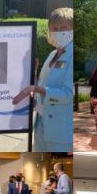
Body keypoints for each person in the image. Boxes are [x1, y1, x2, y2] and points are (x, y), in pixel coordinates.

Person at [13, 8, 73, 152]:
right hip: (41, 121)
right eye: (55, 28)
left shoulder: (72, 56)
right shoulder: (52, 54)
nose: (59, 32)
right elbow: (42, 85)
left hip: (59, 129)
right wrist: (32, 73)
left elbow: (67, 94)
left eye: (64, 28)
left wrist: (36, 89)